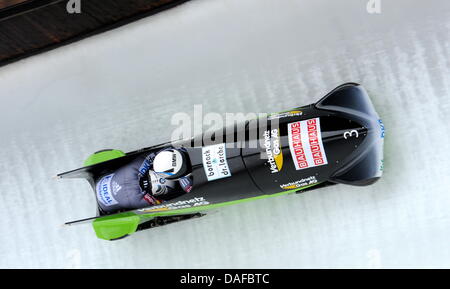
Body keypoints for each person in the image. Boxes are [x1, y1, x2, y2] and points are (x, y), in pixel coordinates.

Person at [95, 147, 192, 214]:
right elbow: (168, 204)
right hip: (107, 197)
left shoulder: (141, 165)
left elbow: (167, 203)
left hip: (105, 181)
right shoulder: (143, 199)